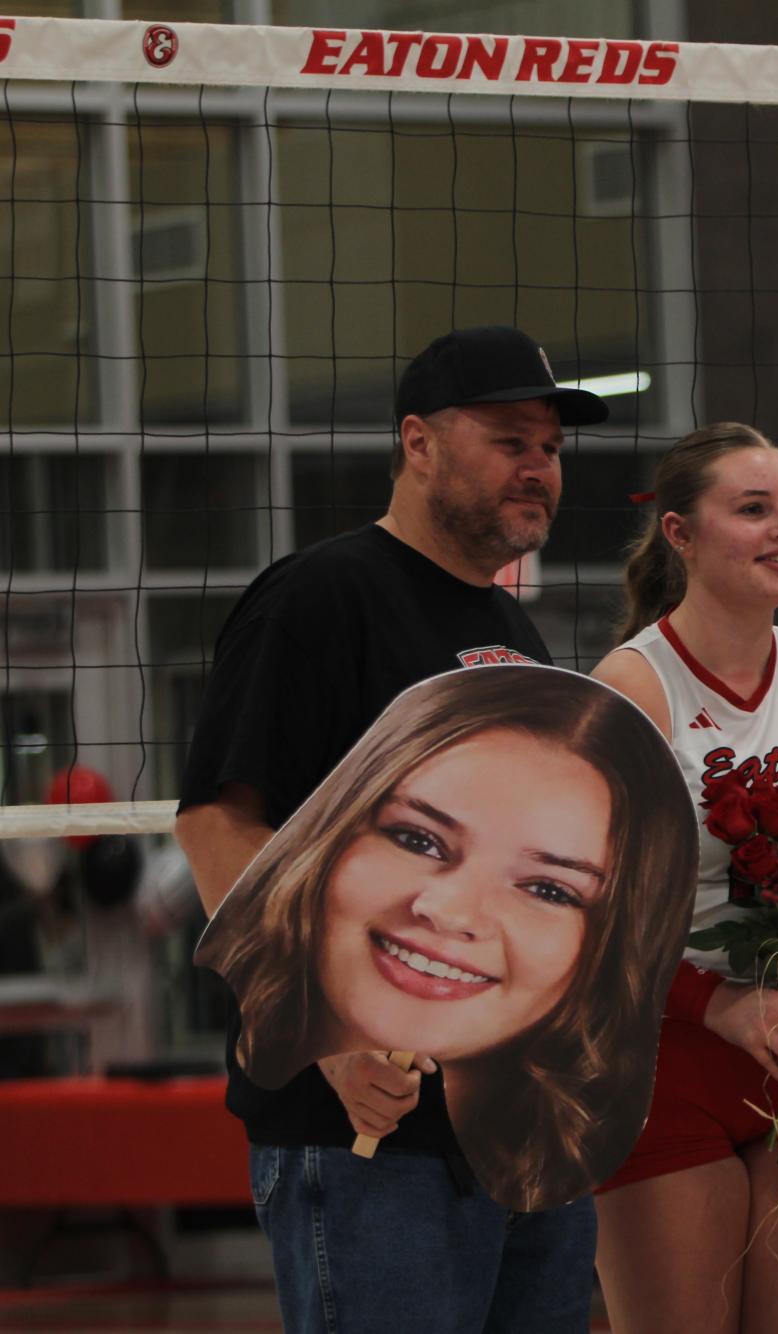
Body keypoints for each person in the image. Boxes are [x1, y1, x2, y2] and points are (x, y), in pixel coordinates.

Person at [174, 325, 609, 1332]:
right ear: (418, 442)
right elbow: (216, 824)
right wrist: (323, 1029)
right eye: (508, 439)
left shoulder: (514, 633)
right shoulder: (323, 595)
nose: (537, 468)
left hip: (516, 1126)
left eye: (548, 445)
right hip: (367, 1133)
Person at [591, 423, 778, 1334]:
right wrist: (714, 1005)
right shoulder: (630, 691)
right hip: (666, 1055)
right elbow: (584, 916)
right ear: (679, 535)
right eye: (753, 508)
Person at [194, 667, 695, 1213]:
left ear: (612, 945)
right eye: (417, 839)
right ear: (328, 836)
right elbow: (208, 820)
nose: (451, 912)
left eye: (550, 890)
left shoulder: (558, 1157)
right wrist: (334, 1057)